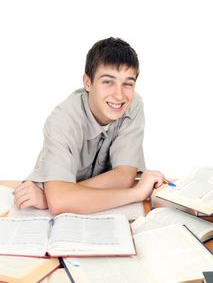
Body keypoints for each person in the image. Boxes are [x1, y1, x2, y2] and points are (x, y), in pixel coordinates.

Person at [13, 37, 165, 214]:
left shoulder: (134, 105)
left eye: (127, 83)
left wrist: (53, 196)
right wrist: (137, 193)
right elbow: (61, 203)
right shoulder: (63, 119)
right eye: (108, 81)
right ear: (87, 83)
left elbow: (124, 176)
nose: (119, 95)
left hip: (100, 212)